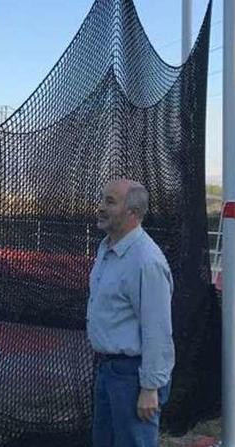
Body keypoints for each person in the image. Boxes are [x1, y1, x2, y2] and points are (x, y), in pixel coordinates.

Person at [87, 179, 174, 447]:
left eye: (110, 202)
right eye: (102, 200)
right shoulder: (107, 249)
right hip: (108, 370)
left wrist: (150, 388)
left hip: (132, 377)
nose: (101, 207)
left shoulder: (145, 261)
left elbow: (157, 329)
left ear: (133, 213)